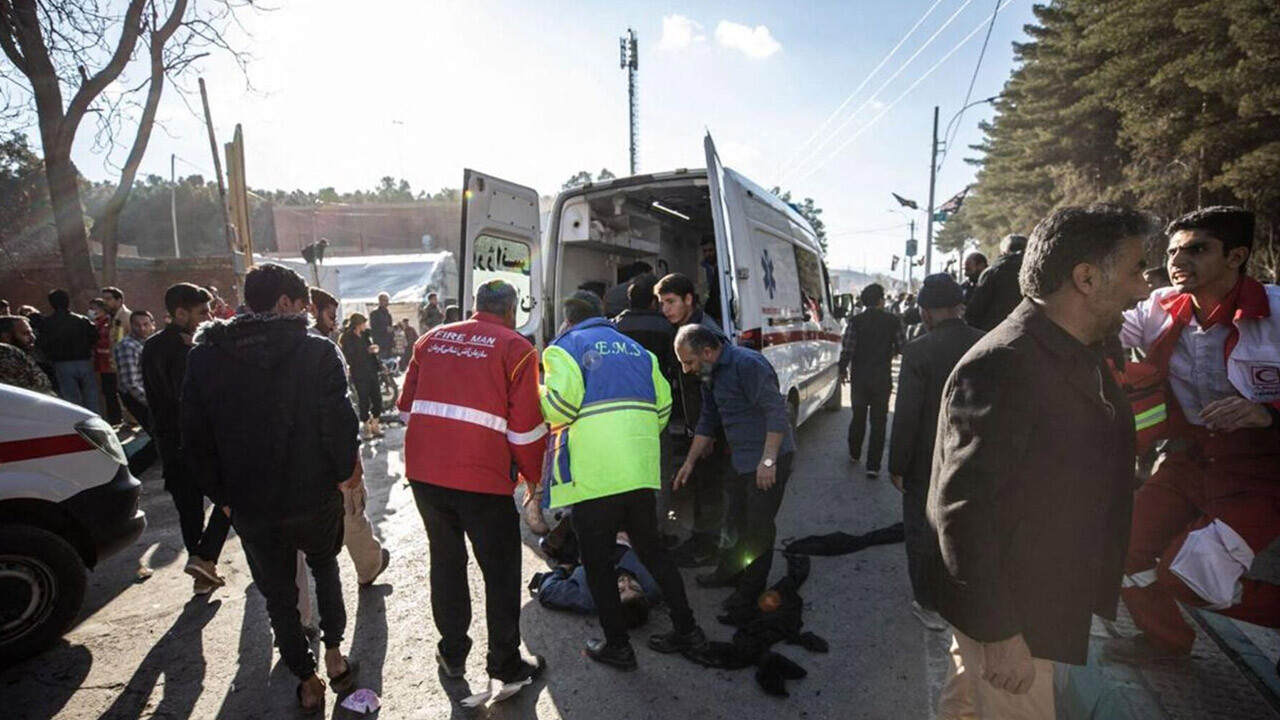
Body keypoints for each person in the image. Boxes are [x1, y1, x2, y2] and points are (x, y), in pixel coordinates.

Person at [928, 205, 1152, 720]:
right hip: (1015, 614)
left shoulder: (1073, 348)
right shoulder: (1006, 362)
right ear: (1087, 278)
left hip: (1032, 602)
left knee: (964, 706)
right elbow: (964, 510)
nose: (1145, 288)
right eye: (1138, 269)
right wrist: (1002, 633)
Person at [181, 263, 361, 713]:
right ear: (285, 302)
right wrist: (344, 474)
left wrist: (222, 496)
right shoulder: (317, 352)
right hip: (312, 495)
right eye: (302, 305)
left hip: (250, 503)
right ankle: (335, 655)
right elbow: (340, 424)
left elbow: (194, 436)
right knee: (325, 569)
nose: (306, 313)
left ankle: (306, 678)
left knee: (278, 594)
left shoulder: (206, 355)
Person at [1108, 206, 1280, 664]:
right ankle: (1165, 642)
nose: (1178, 260)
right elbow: (1098, 326)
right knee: (1119, 548)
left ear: (1236, 256)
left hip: (1263, 472)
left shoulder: (1278, 312)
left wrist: (1268, 413)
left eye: (1197, 249)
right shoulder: (1158, 306)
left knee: (1189, 576)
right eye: (1172, 251)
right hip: (1190, 458)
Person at [540, 290, 707, 670]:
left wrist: (537, 393)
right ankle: (688, 631)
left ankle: (618, 646)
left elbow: (560, 408)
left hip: (596, 475)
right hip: (640, 472)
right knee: (653, 553)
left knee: (597, 564)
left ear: (568, 319)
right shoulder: (637, 351)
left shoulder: (563, 348)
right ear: (603, 315)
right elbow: (664, 408)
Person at [396, 279, 546, 694]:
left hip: (425, 475)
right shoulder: (517, 349)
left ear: (475, 306)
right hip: (482, 479)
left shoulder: (429, 340)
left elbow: (406, 409)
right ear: (512, 310)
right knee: (499, 572)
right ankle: (505, 663)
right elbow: (525, 431)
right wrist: (532, 478)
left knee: (445, 562)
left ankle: (453, 653)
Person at [673, 323, 796, 613]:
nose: (687, 370)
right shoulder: (708, 372)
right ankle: (728, 572)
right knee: (733, 519)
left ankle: (750, 592)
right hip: (741, 459)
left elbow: (776, 412)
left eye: (689, 362)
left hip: (769, 457)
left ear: (707, 351)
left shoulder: (747, 364)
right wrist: (689, 461)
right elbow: (708, 418)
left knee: (758, 528)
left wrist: (768, 461)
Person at [888, 274, 984, 633]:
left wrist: (896, 465)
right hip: (974, 454)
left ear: (926, 313)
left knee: (923, 531)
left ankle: (928, 602)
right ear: (960, 307)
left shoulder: (918, 350)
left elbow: (907, 415)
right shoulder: (985, 343)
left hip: (926, 462)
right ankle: (960, 596)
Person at [141, 284, 231, 596]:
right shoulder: (185, 348)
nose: (209, 318)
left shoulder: (151, 346)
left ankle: (202, 572)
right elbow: (188, 396)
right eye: (202, 313)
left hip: (168, 440)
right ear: (181, 313)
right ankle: (205, 557)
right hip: (194, 441)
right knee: (230, 495)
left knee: (189, 510)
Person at [307, 288, 391, 588]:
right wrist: (351, 459)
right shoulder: (318, 348)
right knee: (351, 510)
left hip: (300, 458)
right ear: (310, 307)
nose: (334, 322)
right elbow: (336, 412)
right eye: (330, 315)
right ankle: (369, 566)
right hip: (327, 453)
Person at [655, 273, 728, 568]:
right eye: (662, 303)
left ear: (688, 299)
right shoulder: (687, 328)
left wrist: (706, 432)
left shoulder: (704, 334)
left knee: (709, 487)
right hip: (698, 424)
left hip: (709, 427)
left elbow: (714, 390)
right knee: (700, 485)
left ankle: (708, 548)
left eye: (671, 302)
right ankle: (703, 541)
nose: (665, 309)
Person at [840, 283, 902, 478]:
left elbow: (848, 348)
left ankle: (854, 453)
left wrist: (842, 369)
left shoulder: (855, 321)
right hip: (882, 377)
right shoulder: (893, 321)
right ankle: (873, 466)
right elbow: (902, 346)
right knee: (879, 421)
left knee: (858, 416)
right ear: (881, 300)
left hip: (860, 377)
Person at [531, 535, 660, 625]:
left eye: (620, 589)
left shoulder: (589, 597)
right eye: (634, 587)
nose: (626, 581)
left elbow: (548, 591)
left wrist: (562, 569)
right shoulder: (653, 586)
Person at [37, 289, 100, 412]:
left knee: (71, 399)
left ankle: (76, 424)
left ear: (51, 304)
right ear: (68, 302)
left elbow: (42, 342)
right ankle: (95, 420)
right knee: (91, 396)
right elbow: (94, 336)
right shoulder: (81, 320)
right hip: (84, 360)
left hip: (61, 363)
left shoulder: (47, 323)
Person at [965, 233, 1028, 331]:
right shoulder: (1037, 270)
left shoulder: (992, 273)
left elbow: (975, 311)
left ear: (1003, 252)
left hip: (995, 333)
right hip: (1031, 333)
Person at [338, 313, 384, 440]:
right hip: (359, 372)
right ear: (358, 324)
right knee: (363, 399)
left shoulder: (365, 335)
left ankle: (375, 424)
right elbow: (349, 356)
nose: (365, 325)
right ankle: (367, 427)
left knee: (377, 398)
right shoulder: (347, 338)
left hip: (371, 370)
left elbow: (371, 351)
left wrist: (377, 359)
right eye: (363, 323)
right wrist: (366, 351)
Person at [113, 310, 155, 430]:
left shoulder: (147, 343)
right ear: (131, 326)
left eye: (145, 324)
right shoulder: (128, 346)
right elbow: (131, 384)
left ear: (153, 324)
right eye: (137, 325)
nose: (142, 328)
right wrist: (154, 403)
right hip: (138, 398)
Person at [0, 315, 54, 395]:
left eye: (31, 333)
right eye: (26, 333)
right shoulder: (9, 355)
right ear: (7, 336)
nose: (33, 337)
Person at [101, 287, 131, 423]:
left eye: (108, 299)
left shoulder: (127, 317)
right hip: (113, 362)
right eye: (104, 299)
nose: (105, 302)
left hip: (126, 361)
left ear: (119, 300)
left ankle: (131, 420)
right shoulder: (109, 317)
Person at [370, 292, 394, 359]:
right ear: (380, 301)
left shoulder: (388, 314)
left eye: (387, 300)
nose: (387, 302)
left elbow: (390, 325)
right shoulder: (374, 313)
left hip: (388, 342)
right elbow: (374, 327)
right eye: (385, 300)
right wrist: (385, 329)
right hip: (380, 342)